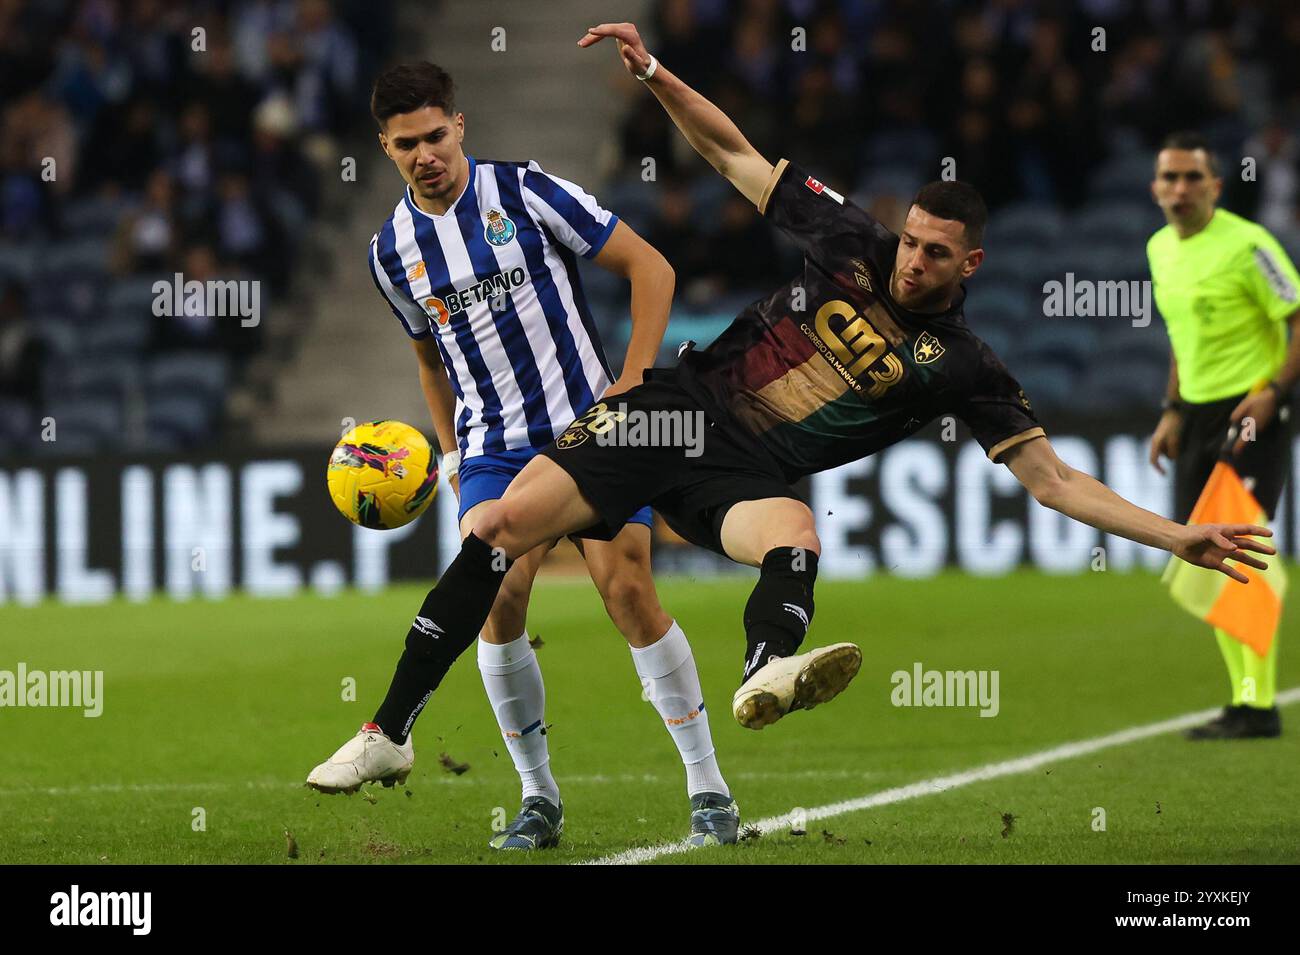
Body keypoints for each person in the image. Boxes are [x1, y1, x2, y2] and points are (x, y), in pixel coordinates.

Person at [309, 28, 1275, 837]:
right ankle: (392, 725)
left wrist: (1177, 532)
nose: (911, 262)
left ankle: (764, 668)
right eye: (909, 242)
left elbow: (1058, 482)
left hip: (743, 472)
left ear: (969, 264)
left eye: (936, 255)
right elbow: (734, 155)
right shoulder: (849, 238)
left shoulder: (970, 370)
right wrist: (654, 75)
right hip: (675, 410)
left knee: (794, 536)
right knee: (496, 535)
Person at [306, 62, 739, 850]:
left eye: (436, 135)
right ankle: (539, 798)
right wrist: (447, 450)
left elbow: (653, 268)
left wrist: (633, 385)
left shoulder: (526, 193)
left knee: (627, 588)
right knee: (498, 607)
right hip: (490, 447)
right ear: (385, 147)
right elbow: (428, 357)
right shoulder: (390, 252)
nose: (425, 154)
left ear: (460, 125)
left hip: (590, 427)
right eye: (407, 144)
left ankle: (708, 787)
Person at [1147, 131, 1298, 739]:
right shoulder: (1160, 249)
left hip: (1251, 410)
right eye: (1169, 178)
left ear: (1215, 185)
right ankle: (1245, 701)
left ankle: (1256, 706)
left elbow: (1296, 318)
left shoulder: (1250, 243)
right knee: (1206, 556)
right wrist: (1172, 410)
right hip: (1199, 414)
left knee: (1242, 552)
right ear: (1155, 187)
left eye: (1191, 178)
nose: (1179, 189)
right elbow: (1183, 340)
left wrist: (1273, 392)